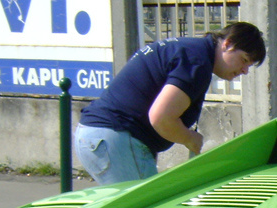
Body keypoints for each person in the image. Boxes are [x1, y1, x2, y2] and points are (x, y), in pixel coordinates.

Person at [75, 22, 266, 185]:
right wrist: (190, 138)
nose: (244, 71)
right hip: (116, 138)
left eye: (249, 66)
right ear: (228, 43)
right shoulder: (197, 61)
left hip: (101, 136)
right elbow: (161, 118)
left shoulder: (190, 50)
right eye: (244, 61)